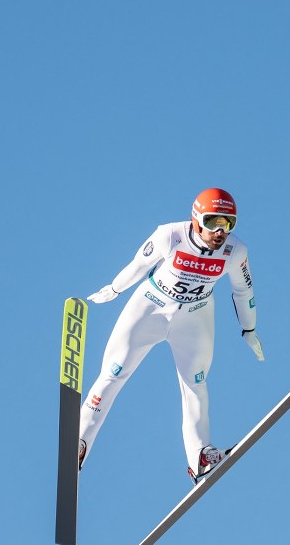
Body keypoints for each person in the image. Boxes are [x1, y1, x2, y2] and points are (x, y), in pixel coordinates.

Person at [79, 187, 264, 483]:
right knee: (114, 372)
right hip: (150, 308)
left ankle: (200, 456)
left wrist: (249, 328)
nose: (221, 231)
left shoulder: (235, 251)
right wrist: (114, 289)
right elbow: (139, 265)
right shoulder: (170, 235)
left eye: (229, 223)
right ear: (196, 219)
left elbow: (243, 290)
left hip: (195, 316)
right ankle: (79, 441)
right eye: (214, 221)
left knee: (196, 383)